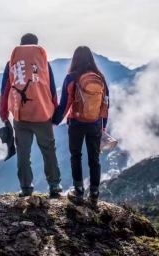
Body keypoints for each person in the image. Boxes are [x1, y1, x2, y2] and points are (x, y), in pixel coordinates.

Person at [0, 33, 63, 198]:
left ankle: (26, 188)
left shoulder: (11, 63)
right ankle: (54, 186)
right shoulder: (43, 63)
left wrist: (4, 115)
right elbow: (52, 89)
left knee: (23, 153)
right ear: (37, 46)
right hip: (42, 115)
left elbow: (5, 91)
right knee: (49, 151)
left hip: (21, 116)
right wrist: (55, 115)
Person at [52, 46, 109, 205]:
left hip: (76, 123)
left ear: (75, 59)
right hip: (95, 123)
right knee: (94, 158)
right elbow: (106, 104)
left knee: (76, 156)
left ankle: (78, 191)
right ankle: (94, 194)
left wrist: (54, 121)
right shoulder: (100, 78)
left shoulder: (71, 78)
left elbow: (64, 104)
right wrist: (103, 126)